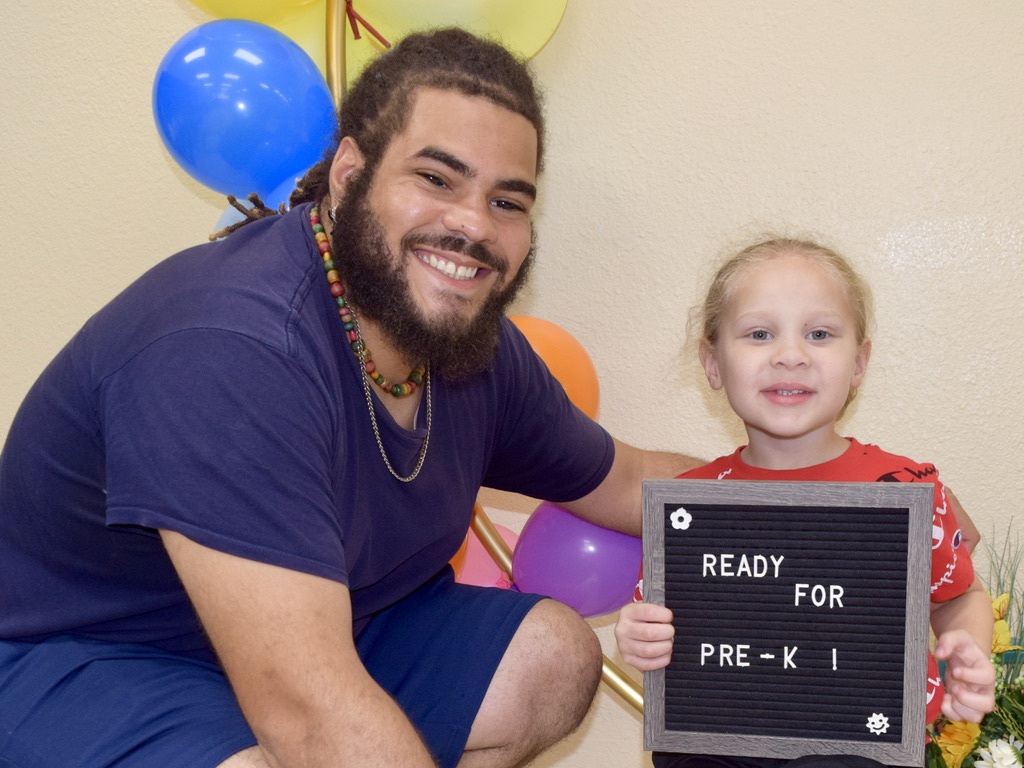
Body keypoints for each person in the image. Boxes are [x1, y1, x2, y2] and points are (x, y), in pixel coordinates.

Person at [0, 29, 700, 768]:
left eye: (506, 201)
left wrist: (811, 503)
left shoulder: (467, 344)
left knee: (552, 657)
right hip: (92, 660)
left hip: (335, 630)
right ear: (348, 173)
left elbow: (626, 480)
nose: (472, 224)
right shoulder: (233, 347)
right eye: (436, 178)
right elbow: (310, 713)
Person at [614, 238, 996, 768]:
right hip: (713, 746)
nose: (790, 354)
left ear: (859, 362)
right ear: (713, 362)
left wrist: (967, 655)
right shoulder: (694, 504)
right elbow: (661, 619)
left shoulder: (902, 488)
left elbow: (957, 595)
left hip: (863, 750)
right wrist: (639, 637)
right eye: (759, 333)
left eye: (819, 334)